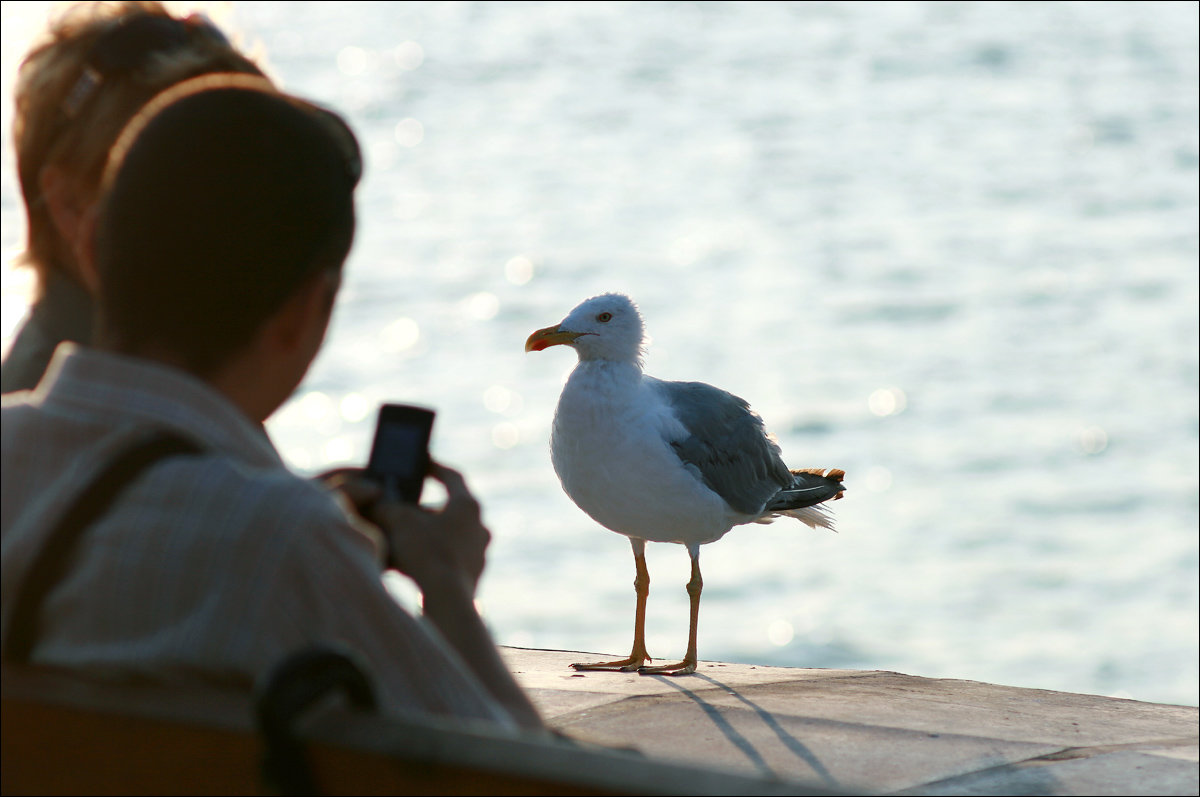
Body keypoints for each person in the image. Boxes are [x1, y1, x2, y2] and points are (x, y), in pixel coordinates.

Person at [0, 74, 544, 732]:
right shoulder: (284, 544)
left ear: (90, 248)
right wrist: (448, 588)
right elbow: (517, 769)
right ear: (302, 314)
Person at [1, 1, 268, 393]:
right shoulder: (86, 413)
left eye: (244, 175)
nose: (228, 214)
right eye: (181, 182)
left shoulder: (159, 373)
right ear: (70, 204)